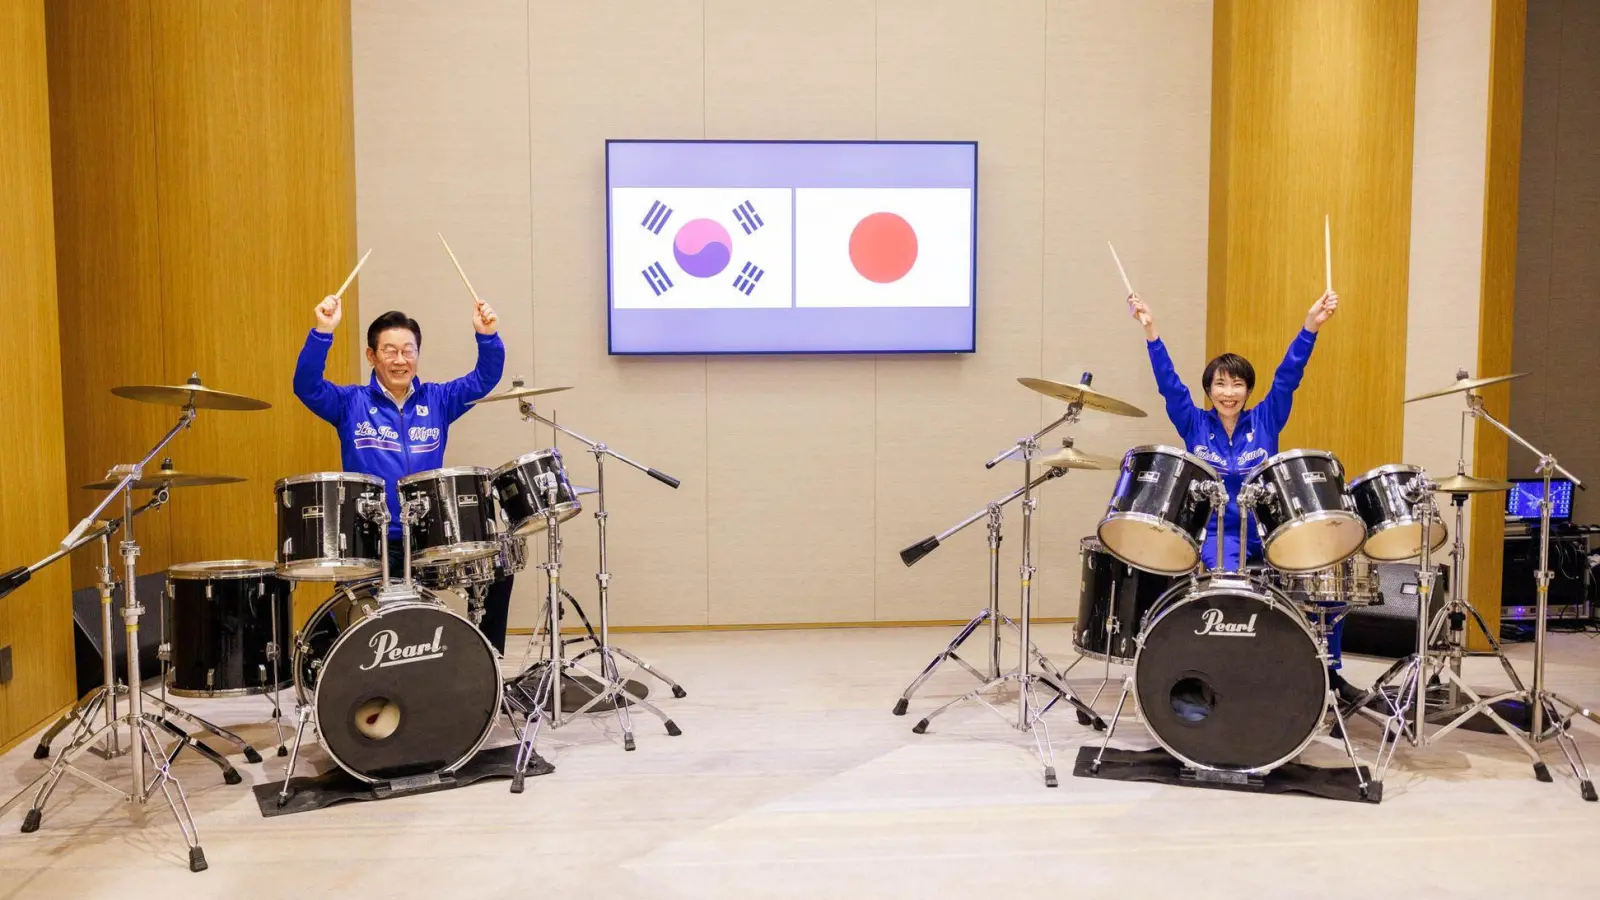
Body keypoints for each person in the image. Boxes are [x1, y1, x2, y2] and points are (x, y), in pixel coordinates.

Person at [1128, 289, 1361, 701]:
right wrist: (1151, 331)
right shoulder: (1194, 422)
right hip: (1221, 536)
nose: (1229, 392)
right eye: (1220, 384)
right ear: (1209, 390)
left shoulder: (1267, 417)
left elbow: (1289, 375)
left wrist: (1311, 326)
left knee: (1324, 584)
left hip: (1271, 529)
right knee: (1229, 595)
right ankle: (1230, 674)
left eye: (1237, 384)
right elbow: (1169, 385)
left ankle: (1330, 674)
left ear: (1248, 389)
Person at [292, 293, 515, 653]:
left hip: (427, 538)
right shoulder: (351, 403)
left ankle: (483, 666)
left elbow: (484, 378)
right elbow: (306, 386)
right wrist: (323, 332)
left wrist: (487, 337)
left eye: (408, 350)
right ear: (372, 355)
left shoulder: (439, 400)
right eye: (390, 351)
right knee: (358, 627)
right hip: (372, 542)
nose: (400, 360)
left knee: (498, 570)